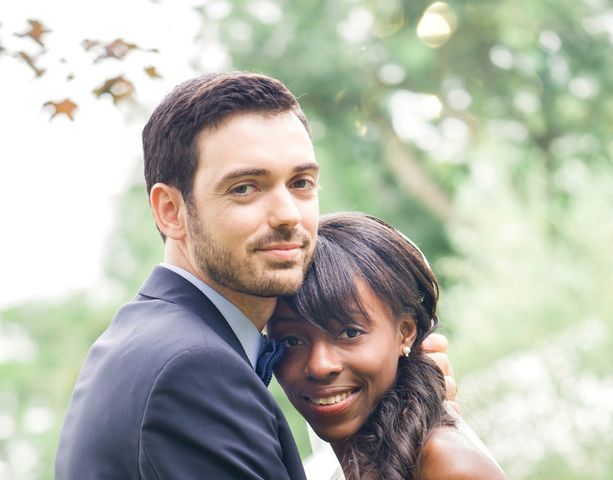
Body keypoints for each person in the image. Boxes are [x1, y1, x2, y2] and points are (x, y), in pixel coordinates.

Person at [55, 72, 454, 479]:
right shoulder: (193, 368)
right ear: (171, 211)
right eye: (245, 188)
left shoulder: (148, 339)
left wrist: (398, 420)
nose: (286, 214)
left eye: (301, 183)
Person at [270, 212, 508, 480]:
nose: (320, 365)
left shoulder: (448, 465)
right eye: (292, 341)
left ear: (405, 332)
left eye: (350, 332)